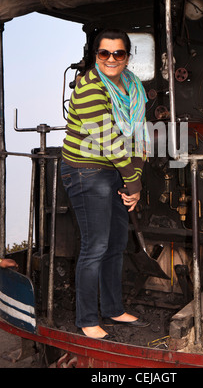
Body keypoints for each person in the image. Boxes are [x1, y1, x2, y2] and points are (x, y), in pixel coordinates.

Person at [61, 28, 150, 340]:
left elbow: (138, 136)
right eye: (104, 53)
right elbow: (110, 141)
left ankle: (112, 308)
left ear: (127, 57)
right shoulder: (89, 87)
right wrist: (134, 183)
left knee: (116, 243)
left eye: (119, 53)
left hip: (114, 170)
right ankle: (87, 318)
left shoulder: (132, 88)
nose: (111, 59)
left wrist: (133, 180)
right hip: (85, 170)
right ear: (95, 56)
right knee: (95, 244)